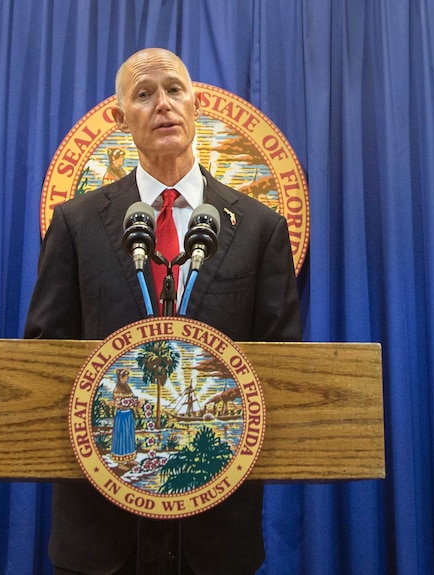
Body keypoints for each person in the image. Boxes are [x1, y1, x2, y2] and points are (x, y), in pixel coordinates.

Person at [24, 47, 301, 575]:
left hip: (216, 532)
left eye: (174, 89)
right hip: (100, 530)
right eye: (144, 94)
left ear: (197, 102)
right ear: (120, 116)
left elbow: (284, 364)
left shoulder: (260, 228)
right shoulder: (77, 224)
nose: (163, 105)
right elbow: (44, 356)